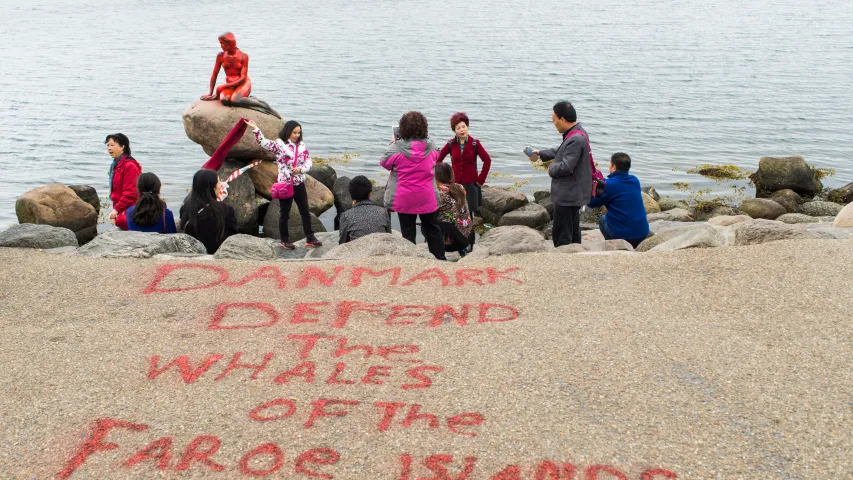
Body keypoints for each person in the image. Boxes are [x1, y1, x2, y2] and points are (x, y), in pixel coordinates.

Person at [245, 118, 322, 249]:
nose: (297, 135)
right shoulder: (280, 145)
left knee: (305, 212)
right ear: (288, 132)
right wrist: (256, 129)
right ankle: (284, 240)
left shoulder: (302, 146)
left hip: (299, 183)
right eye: (294, 132)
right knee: (284, 214)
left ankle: (310, 238)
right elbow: (263, 143)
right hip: (285, 184)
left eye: (299, 133)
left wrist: (300, 169)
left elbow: (309, 162)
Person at [380, 111, 446, 260]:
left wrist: (393, 143)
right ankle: (440, 259)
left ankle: (410, 261)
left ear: (402, 128)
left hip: (404, 198)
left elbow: (384, 163)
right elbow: (437, 157)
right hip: (427, 197)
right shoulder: (431, 146)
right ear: (424, 128)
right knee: (433, 229)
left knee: (407, 231)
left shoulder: (396, 148)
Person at [532, 101, 592, 246]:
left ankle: (564, 258)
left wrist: (551, 168)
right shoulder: (577, 132)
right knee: (572, 228)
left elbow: (566, 166)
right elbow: (561, 150)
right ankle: (574, 254)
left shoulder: (575, 138)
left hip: (568, 193)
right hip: (573, 192)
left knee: (562, 233)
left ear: (563, 119)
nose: (554, 124)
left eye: (554, 120)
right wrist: (541, 153)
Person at [200, 32, 280, 118]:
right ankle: (245, 101)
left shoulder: (243, 56)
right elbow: (214, 74)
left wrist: (223, 86)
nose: (221, 46)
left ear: (229, 44)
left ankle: (263, 106)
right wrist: (210, 93)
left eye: (222, 43)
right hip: (230, 85)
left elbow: (242, 78)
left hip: (243, 83)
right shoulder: (221, 56)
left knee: (235, 100)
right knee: (225, 100)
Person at [587, 152, 650, 248]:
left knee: (603, 219)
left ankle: (613, 246)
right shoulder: (635, 180)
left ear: (614, 168)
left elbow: (592, 203)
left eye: (610, 164)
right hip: (642, 233)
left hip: (624, 236)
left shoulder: (608, 185)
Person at [436, 112, 492, 217]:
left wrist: (481, 180)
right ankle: (457, 233)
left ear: (467, 126)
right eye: (458, 128)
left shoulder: (475, 143)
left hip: (471, 184)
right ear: (454, 130)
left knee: (469, 214)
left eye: (463, 126)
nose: (462, 130)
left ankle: (470, 233)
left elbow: (487, 160)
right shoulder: (450, 144)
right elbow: (438, 160)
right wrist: (443, 180)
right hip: (455, 185)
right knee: (456, 212)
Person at [180, 169, 238, 254]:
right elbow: (233, 237)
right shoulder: (226, 210)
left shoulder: (186, 208)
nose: (221, 185)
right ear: (212, 187)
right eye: (218, 182)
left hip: (193, 255)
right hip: (219, 256)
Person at [435, 162, 473, 256]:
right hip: (466, 237)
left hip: (451, 242)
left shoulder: (438, 192)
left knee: (427, 220)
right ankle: (463, 250)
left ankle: (438, 250)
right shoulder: (460, 187)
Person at [338, 176, 391, 244]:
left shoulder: (346, 215)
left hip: (357, 252)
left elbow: (342, 242)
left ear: (351, 195)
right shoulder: (383, 212)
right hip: (380, 248)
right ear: (370, 194)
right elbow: (389, 237)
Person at [105, 133, 141, 229]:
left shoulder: (130, 166)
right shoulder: (116, 164)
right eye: (108, 145)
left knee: (121, 222)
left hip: (131, 208)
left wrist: (116, 210)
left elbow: (130, 193)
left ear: (122, 146)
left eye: (112, 145)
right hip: (121, 207)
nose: (109, 148)